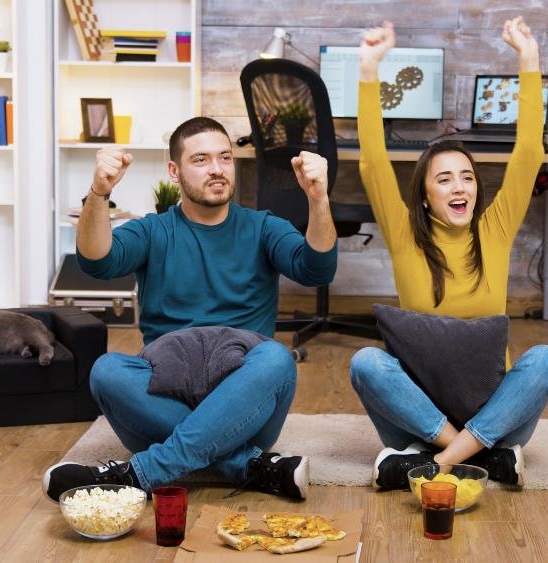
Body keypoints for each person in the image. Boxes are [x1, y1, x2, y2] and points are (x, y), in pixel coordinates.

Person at [42, 117, 338, 501]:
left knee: (276, 360)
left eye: (225, 158)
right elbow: (97, 262)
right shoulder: (153, 230)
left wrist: (318, 198)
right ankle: (246, 464)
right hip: (163, 396)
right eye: (200, 159)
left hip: (245, 399)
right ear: (174, 171)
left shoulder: (264, 227)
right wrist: (98, 194)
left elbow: (317, 269)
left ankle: (139, 474)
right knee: (106, 371)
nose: (217, 169)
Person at [351, 18, 548, 490]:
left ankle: (436, 462)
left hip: (492, 413)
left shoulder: (496, 228)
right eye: (444, 178)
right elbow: (371, 160)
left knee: (546, 358)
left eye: (466, 176)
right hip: (419, 416)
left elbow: (528, 152)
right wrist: (369, 68)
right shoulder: (405, 232)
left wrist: (527, 59)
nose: (459, 185)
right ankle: (472, 455)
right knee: (366, 362)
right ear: (424, 196)